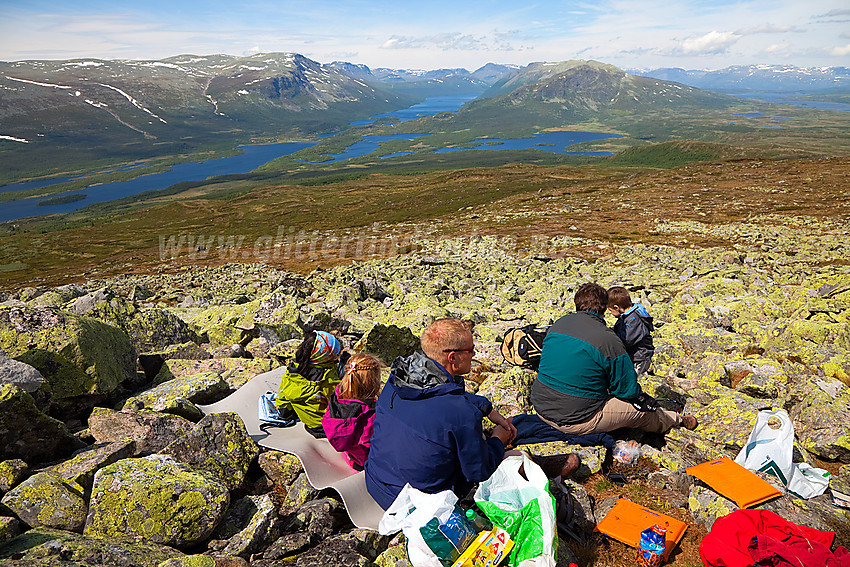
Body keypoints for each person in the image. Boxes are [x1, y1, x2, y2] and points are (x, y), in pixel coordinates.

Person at [366, 318, 578, 510]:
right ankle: (534, 465)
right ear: (453, 357)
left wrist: (487, 408)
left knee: (461, 440)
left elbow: (439, 394)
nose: (474, 355)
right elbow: (479, 471)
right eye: (471, 350)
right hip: (417, 505)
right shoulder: (460, 412)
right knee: (511, 457)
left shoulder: (398, 380)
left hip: (377, 483)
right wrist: (498, 440)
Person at [532, 283, 698, 436]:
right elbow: (627, 390)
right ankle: (676, 420)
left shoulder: (559, 324)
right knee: (641, 410)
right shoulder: (608, 339)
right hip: (575, 419)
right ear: (604, 308)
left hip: (540, 407)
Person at [321, 353, 383, 470]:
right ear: (373, 382)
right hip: (363, 463)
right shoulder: (371, 415)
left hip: (348, 455)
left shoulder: (337, 397)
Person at [275, 330, 342, 439]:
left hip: (311, 424)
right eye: (334, 353)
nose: (336, 356)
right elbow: (338, 401)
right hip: (325, 426)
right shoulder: (327, 379)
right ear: (324, 356)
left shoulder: (294, 370)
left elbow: (283, 396)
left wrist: (285, 412)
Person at [607, 286, 655, 376]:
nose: (610, 313)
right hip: (635, 355)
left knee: (630, 378)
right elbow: (620, 329)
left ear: (616, 307)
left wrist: (612, 339)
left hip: (640, 357)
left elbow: (627, 340)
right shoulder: (626, 316)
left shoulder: (633, 320)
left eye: (610, 310)